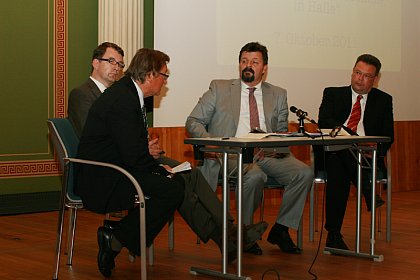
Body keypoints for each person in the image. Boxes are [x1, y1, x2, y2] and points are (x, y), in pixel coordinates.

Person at [75, 48, 266, 277]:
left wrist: (154, 160)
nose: (165, 82)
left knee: (184, 176)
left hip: (120, 165)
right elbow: (131, 154)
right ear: (150, 75)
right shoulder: (123, 99)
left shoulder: (129, 93)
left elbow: (129, 145)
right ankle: (115, 238)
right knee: (172, 187)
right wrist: (158, 168)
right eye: (164, 76)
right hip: (106, 176)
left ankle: (228, 236)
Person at [186, 42, 313, 255]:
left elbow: (282, 132)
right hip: (232, 153)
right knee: (255, 176)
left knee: (304, 173)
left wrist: (276, 142)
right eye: (244, 61)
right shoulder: (219, 88)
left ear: (264, 68)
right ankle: (243, 233)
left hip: (268, 153)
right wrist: (213, 143)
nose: (248, 65)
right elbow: (193, 121)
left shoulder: (278, 94)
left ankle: (281, 229)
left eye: (255, 62)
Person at [317, 54, 394, 250]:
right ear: (352, 72)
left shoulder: (383, 100)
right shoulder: (333, 94)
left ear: (375, 79)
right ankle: (367, 191)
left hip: (367, 156)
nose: (360, 78)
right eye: (357, 73)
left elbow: (388, 136)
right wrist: (350, 137)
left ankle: (333, 234)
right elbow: (324, 122)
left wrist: (374, 148)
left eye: (366, 76)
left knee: (339, 166)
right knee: (339, 155)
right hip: (333, 151)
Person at [68, 42, 125, 138]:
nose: (117, 68)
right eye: (111, 61)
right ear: (96, 63)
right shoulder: (80, 94)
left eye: (120, 64)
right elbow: (92, 134)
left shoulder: (118, 95)